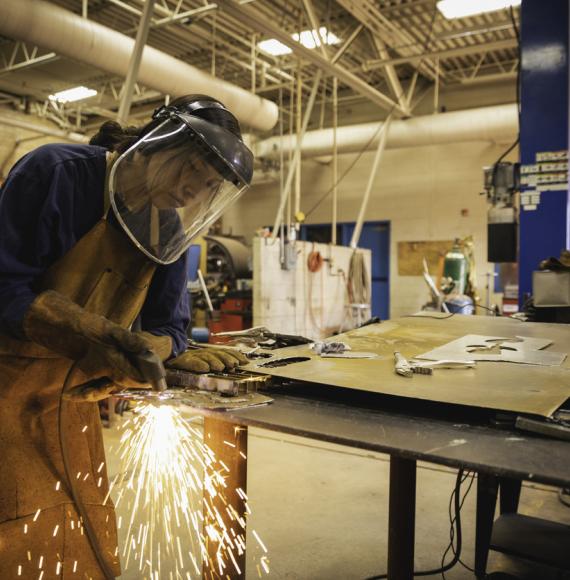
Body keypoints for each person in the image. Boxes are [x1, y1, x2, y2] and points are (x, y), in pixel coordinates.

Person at [0, 94, 253, 578]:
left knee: (79, 534)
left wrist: (157, 351)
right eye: (194, 173)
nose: (193, 192)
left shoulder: (167, 229)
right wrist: (79, 326)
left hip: (70, 401)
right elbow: (4, 284)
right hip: (5, 387)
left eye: (207, 186)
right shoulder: (57, 173)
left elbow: (170, 327)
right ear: (161, 143)